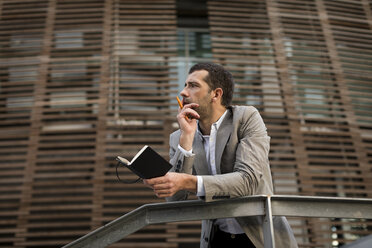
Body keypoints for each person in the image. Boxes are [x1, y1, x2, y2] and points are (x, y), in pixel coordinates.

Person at [144, 62, 297, 248]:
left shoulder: (246, 118)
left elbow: (247, 181)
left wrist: (187, 181)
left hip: (260, 236)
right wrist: (186, 138)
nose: (183, 92)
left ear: (216, 94)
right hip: (218, 238)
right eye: (185, 85)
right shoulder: (179, 136)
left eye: (193, 86)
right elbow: (175, 198)